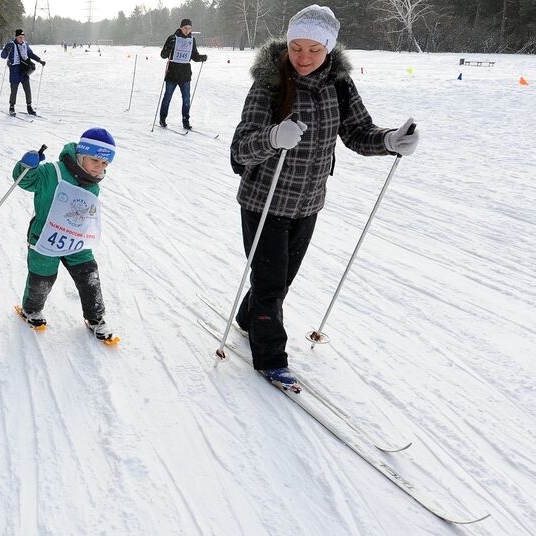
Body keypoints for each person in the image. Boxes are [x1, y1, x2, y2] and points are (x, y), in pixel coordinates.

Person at [229, 4, 419, 388]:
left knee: (280, 282)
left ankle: (250, 319)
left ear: (329, 49)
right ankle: (270, 358)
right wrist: (272, 137)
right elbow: (240, 148)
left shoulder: (340, 85)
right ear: (287, 44)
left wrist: (389, 141)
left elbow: (357, 132)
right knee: (269, 284)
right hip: (264, 202)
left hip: (308, 203)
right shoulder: (270, 82)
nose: (303, 57)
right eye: (296, 47)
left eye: (314, 50)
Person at [11, 128, 117, 342]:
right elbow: (24, 180)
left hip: (76, 240)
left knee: (89, 275)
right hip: (45, 238)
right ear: (81, 155)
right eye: (95, 161)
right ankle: (32, 310)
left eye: (105, 164)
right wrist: (26, 166)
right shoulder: (53, 172)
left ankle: (95, 318)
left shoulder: (93, 183)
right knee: (42, 277)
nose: (100, 168)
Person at [158, 18, 207, 130]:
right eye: (185, 28)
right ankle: (162, 118)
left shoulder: (192, 40)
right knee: (167, 97)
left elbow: (194, 56)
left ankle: (186, 121)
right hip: (172, 73)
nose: (187, 30)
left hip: (185, 75)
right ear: (181, 27)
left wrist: (201, 58)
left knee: (186, 99)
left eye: (189, 28)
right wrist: (169, 47)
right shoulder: (172, 38)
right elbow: (163, 55)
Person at [0, 29, 45, 116]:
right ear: (16, 37)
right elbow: (3, 56)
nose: (21, 39)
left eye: (23, 37)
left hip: (24, 70)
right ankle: (11, 107)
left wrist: (40, 61)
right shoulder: (11, 45)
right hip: (14, 71)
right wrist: (6, 50)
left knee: (27, 90)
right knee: (14, 91)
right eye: (20, 37)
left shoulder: (25, 45)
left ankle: (29, 107)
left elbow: (31, 54)